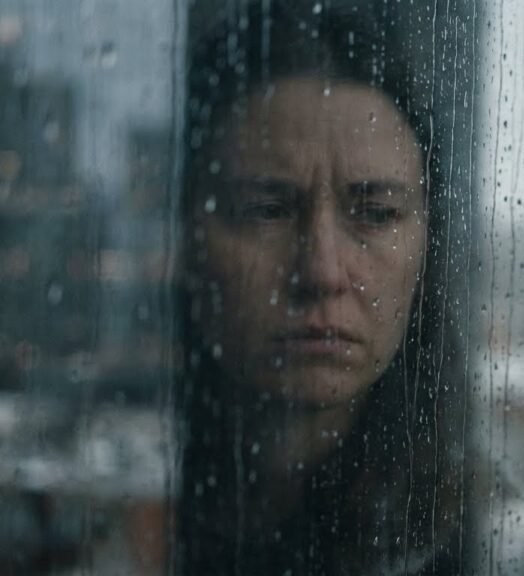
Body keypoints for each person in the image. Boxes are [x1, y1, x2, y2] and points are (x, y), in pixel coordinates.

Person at [175, 2, 469, 574]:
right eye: (265, 211)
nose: (322, 273)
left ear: (426, 245)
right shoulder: (122, 520)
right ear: (188, 240)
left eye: (377, 214)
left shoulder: (504, 544)